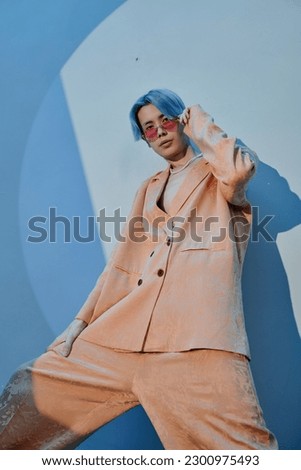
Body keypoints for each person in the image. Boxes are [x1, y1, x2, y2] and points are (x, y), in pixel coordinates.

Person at [0, 89, 278, 450]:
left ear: (181, 122)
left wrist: (201, 124)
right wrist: (81, 322)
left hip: (197, 343)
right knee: (28, 389)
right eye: (149, 128)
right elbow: (123, 266)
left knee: (244, 452)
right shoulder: (148, 189)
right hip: (124, 339)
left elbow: (240, 169)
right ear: (144, 140)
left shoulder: (218, 176)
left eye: (166, 120)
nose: (160, 131)